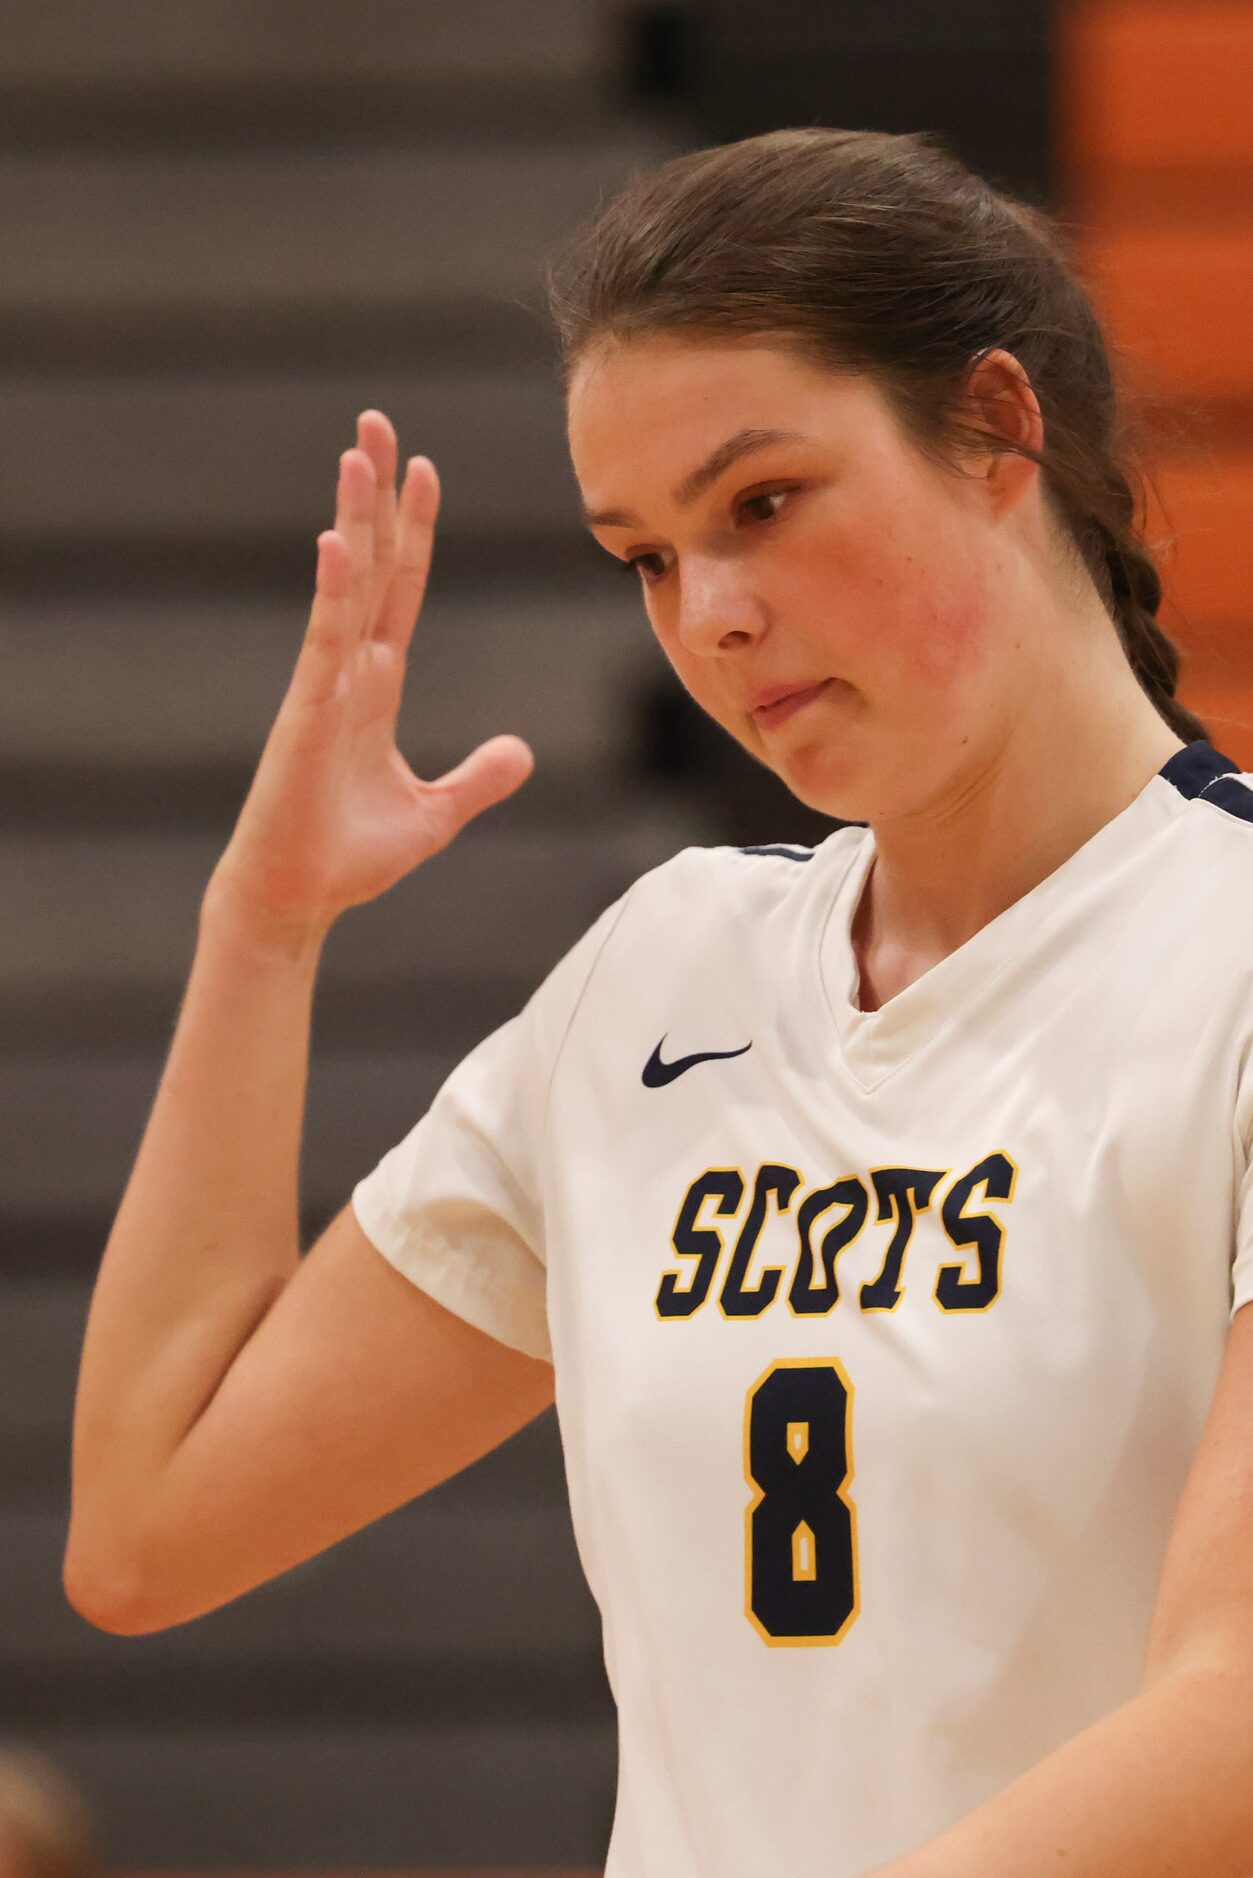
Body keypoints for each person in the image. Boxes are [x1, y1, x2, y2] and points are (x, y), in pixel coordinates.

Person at [62, 126, 1253, 1876]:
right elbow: (149, 1524)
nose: (710, 616)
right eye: (646, 554)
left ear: (999, 426)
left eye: (760, 503)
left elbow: (1233, 1713)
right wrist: (262, 922)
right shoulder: (659, 974)